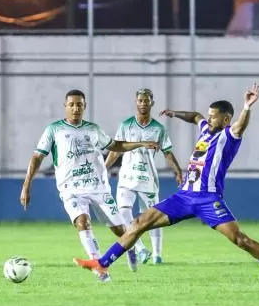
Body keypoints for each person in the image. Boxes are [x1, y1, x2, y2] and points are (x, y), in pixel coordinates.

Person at [73, 83, 259, 282]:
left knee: (240, 240)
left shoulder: (228, 135)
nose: (208, 118)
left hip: (208, 199)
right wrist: (175, 114)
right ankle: (102, 263)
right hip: (184, 197)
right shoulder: (205, 129)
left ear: (225, 119)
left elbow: (240, 125)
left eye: (214, 115)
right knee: (139, 222)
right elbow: (195, 116)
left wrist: (246, 106)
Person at [21, 89, 159, 282]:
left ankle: (131, 249)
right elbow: (37, 157)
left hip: (98, 188)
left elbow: (116, 146)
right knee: (82, 221)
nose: (76, 108)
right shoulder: (54, 130)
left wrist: (141, 143)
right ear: (65, 106)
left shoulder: (93, 129)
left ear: (84, 106)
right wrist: (27, 185)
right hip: (71, 190)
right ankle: (99, 266)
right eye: (72, 105)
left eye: (79, 104)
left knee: (121, 231)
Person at [104, 88, 184, 265]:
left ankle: (157, 255)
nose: (143, 104)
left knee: (154, 219)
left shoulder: (158, 129)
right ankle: (141, 249)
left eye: (146, 101)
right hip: (127, 178)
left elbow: (168, 153)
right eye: (140, 100)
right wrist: (103, 169)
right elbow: (116, 150)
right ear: (136, 102)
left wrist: (177, 172)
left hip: (148, 179)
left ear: (152, 103)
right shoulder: (126, 125)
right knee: (123, 212)